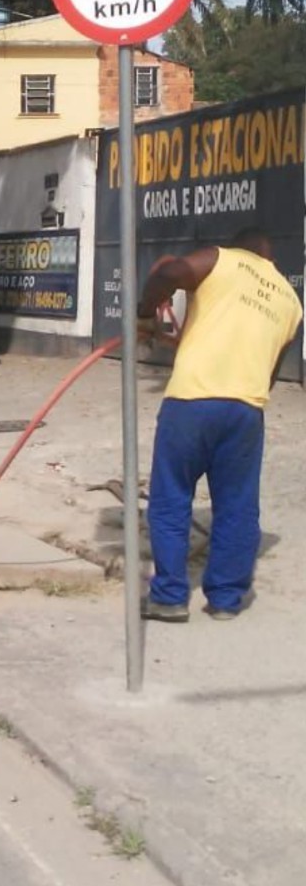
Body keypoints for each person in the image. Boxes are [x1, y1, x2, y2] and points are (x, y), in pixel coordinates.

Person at [136, 227, 302, 622]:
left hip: (192, 400)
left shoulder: (221, 259)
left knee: (171, 497)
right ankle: (226, 599)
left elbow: (169, 273)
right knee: (237, 505)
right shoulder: (291, 301)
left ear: (238, 248)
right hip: (246, 408)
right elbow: (270, 372)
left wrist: (144, 316)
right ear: (270, 260)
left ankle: (171, 596)